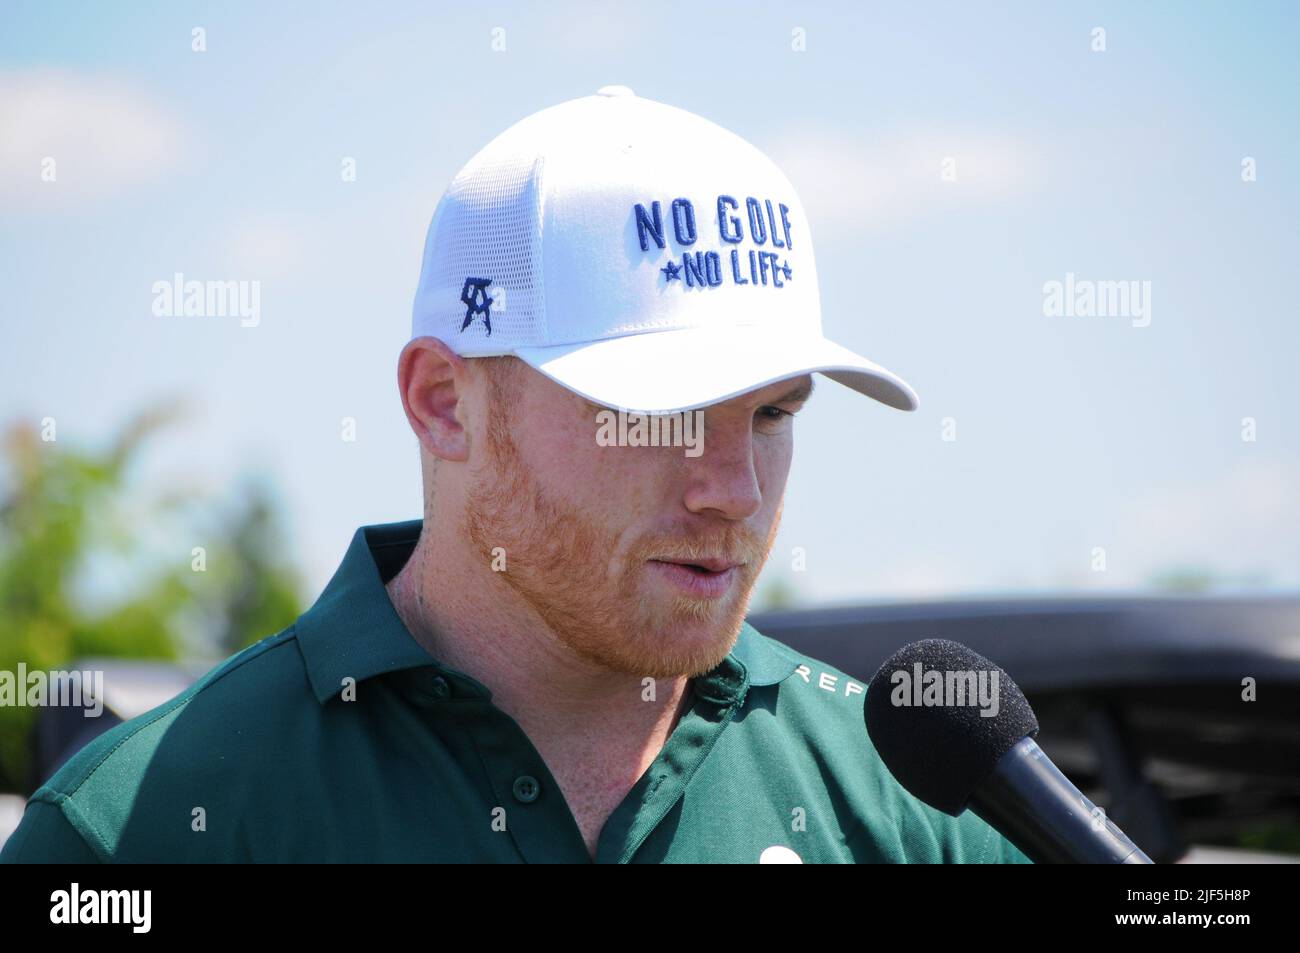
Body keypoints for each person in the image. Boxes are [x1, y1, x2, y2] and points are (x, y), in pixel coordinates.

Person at [1, 86, 1030, 863]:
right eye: (659, 411)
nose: (735, 490)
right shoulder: (134, 827)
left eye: (773, 411)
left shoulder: (918, 809)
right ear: (444, 400)